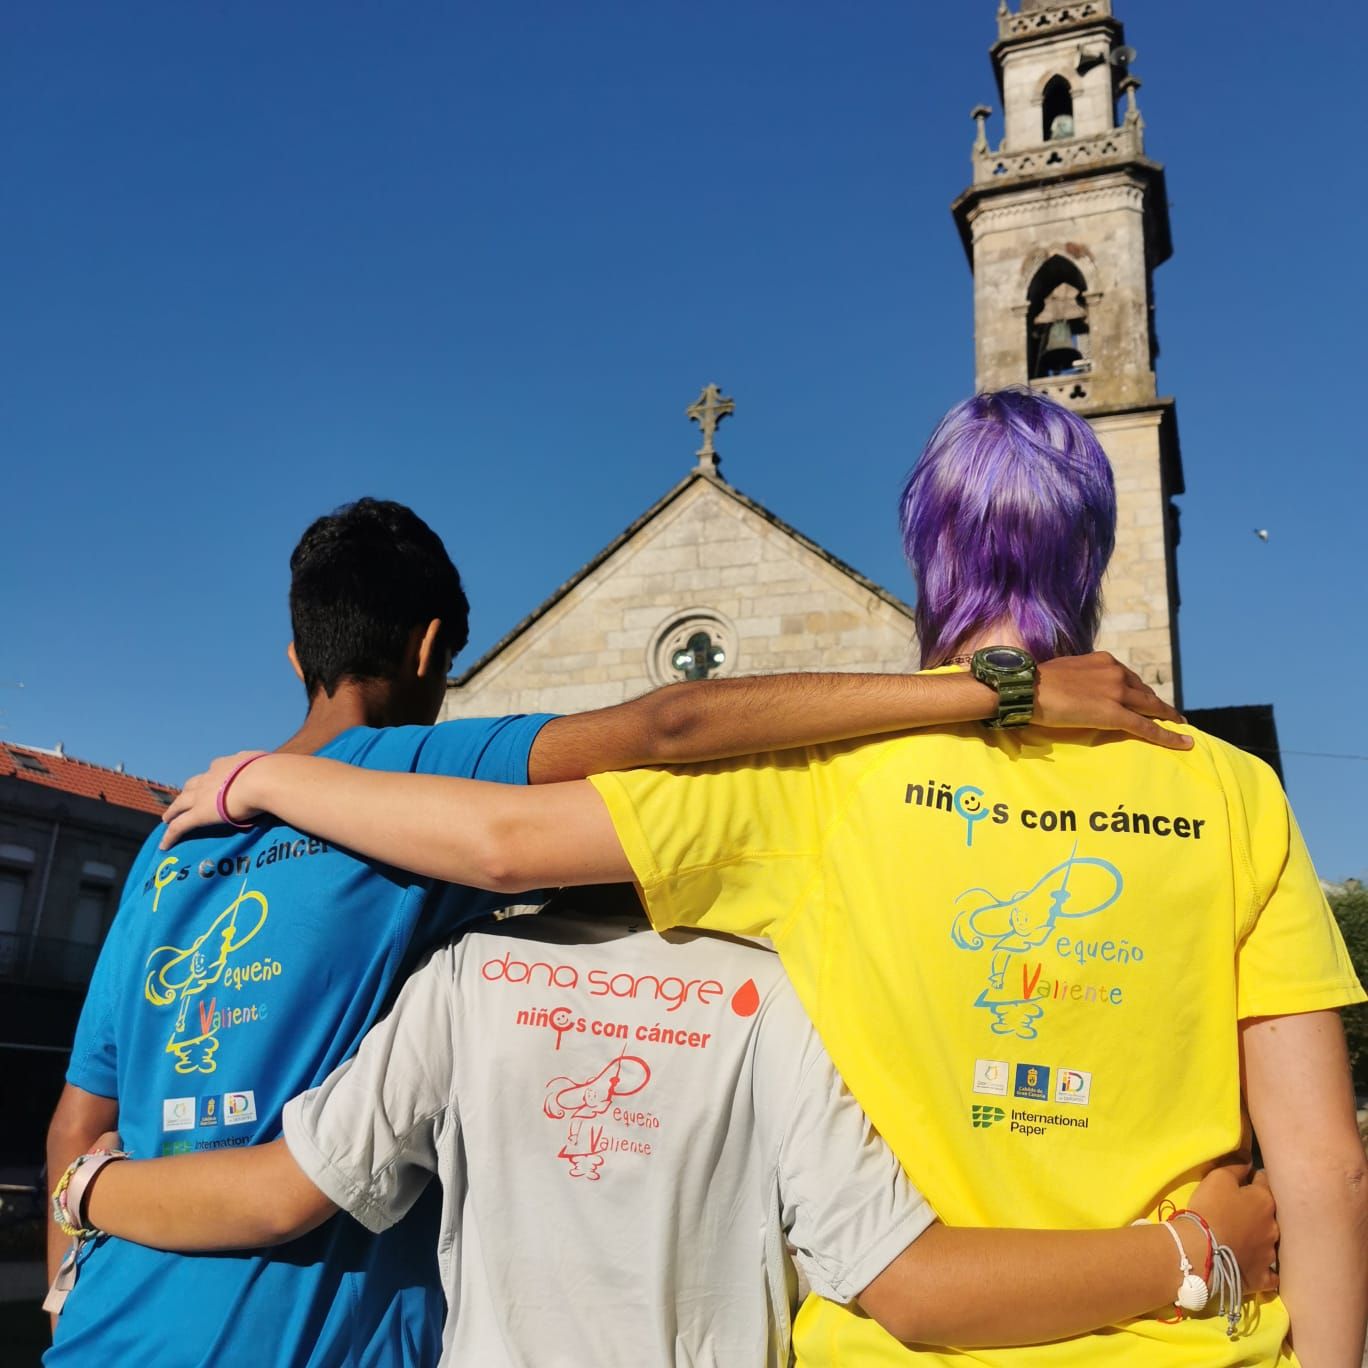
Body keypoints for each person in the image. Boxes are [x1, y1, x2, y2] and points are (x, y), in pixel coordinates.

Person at [165, 391, 1367, 1367]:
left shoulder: (824, 779)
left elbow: (502, 845)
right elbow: (1324, 1168)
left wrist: (267, 779)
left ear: (927, 553)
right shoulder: (1229, 789)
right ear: (1093, 553)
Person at [47, 495, 1186, 1366]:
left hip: (103, 1323)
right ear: (434, 649)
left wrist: (70, 1258)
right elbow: (670, 722)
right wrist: (994, 691)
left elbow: (76, 1124)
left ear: (295, 654)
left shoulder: (175, 840)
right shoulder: (407, 775)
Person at [67, 887, 1278, 1367]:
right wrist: (1183, 1256)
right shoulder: (776, 991)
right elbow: (903, 1283)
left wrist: (87, 1188)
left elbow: (280, 1193)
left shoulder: (469, 973)